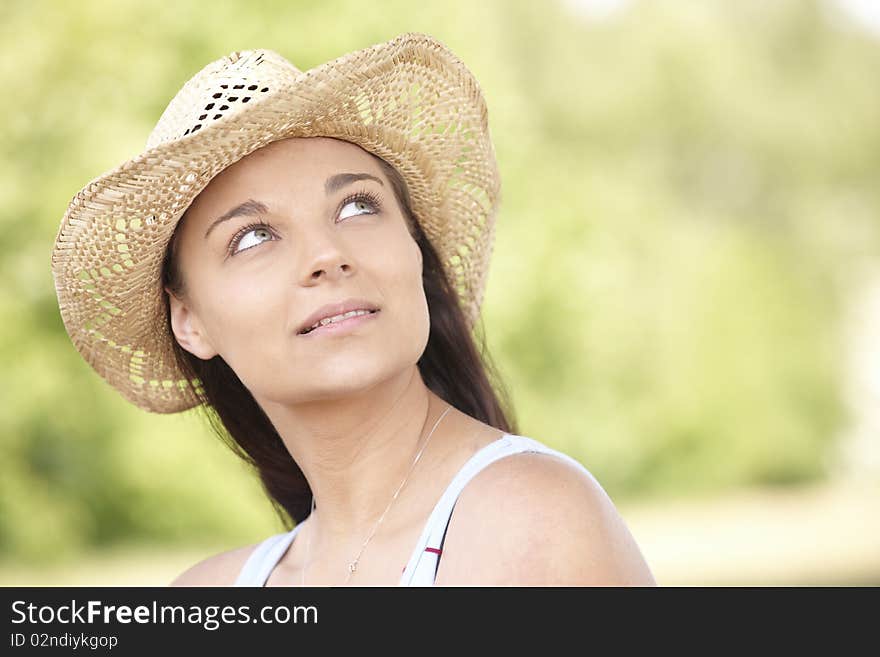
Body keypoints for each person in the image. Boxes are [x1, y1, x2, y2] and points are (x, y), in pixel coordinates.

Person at [51, 33, 655, 586]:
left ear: (413, 247)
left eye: (356, 207)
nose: (326, 254)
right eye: (254, 237)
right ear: (190, 321)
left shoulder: (532, 522)